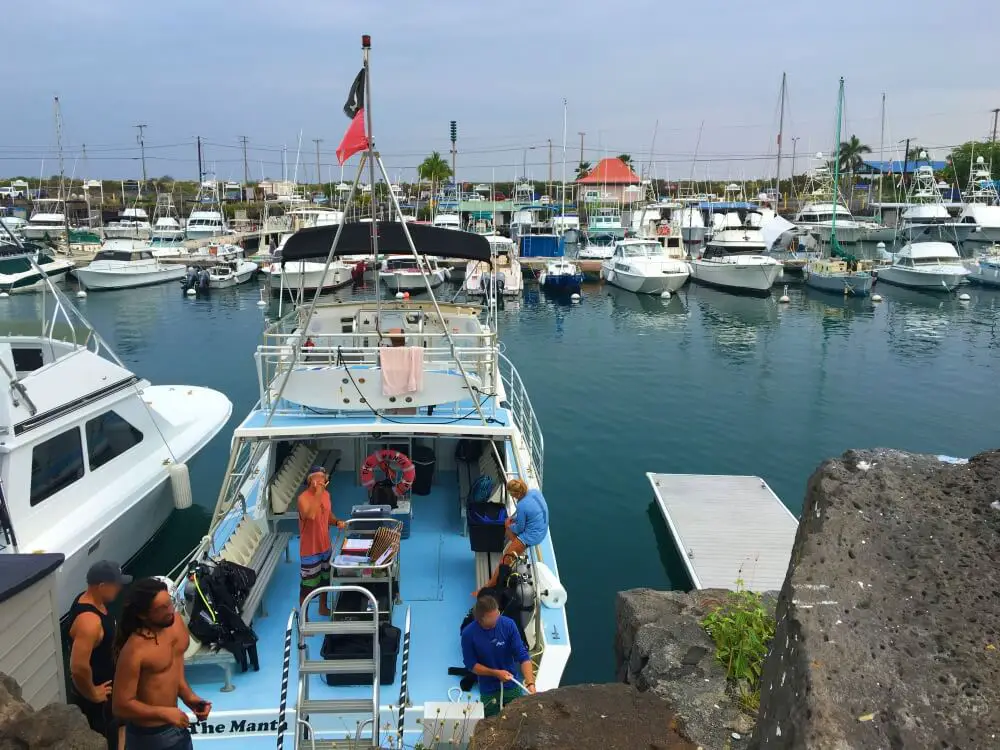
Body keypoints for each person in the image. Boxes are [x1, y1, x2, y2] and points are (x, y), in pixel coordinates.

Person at [112, 578, 211, 750]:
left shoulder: (175, 622)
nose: (171, 610)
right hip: (149, 738)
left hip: (176, 724)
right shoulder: (134, 650)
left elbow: (174, 667)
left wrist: (189, 696)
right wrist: (164, 713)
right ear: (143, 615)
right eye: (162, 608)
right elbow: (121, 706)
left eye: (170, 603)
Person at [66, 561, 132, 750]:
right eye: (117, 584)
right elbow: (78, 667)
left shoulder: (93, 600)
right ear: (102, 586)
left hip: (112, 691)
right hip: (99, 702)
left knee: (121, 725)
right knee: (107, 740)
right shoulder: (90, 623)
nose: (120, 588)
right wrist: (92, 692)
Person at [461, 594, 535, 717]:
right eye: (492, 617)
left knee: (517, 715)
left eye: (498, 614)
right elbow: (471, 665)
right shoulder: (468, 634)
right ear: (481, 619)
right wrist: (496, 673)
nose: (497, 618)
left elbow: (522, 655)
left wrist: (530, 683)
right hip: (488, 688)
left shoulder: (508, 625)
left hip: (512, 683)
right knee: (491, 719)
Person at [480, 479, 549, 592]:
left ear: (516, 494)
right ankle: (516, 547)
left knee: (505, 559)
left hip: (532, 536)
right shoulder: (535, 492)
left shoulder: (521, 505)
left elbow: (519, 528)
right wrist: (513, 519)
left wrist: (508, 524)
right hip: (542, 529)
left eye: (512, 494)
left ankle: (491, 584)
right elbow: (530, 514)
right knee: (510, 525)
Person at [298, 466, 345, 615]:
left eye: (322, 477)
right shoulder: (303, 498)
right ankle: (304, 620)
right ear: (309, 480)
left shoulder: (326, 495)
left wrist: (336, 522)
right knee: (308, 586)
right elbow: (310, 515)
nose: (319, 480)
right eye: (315, 477)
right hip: (310, 550)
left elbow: (327, 513)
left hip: (325, 546)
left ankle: (322, 608)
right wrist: (318, 492)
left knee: (325, 580)